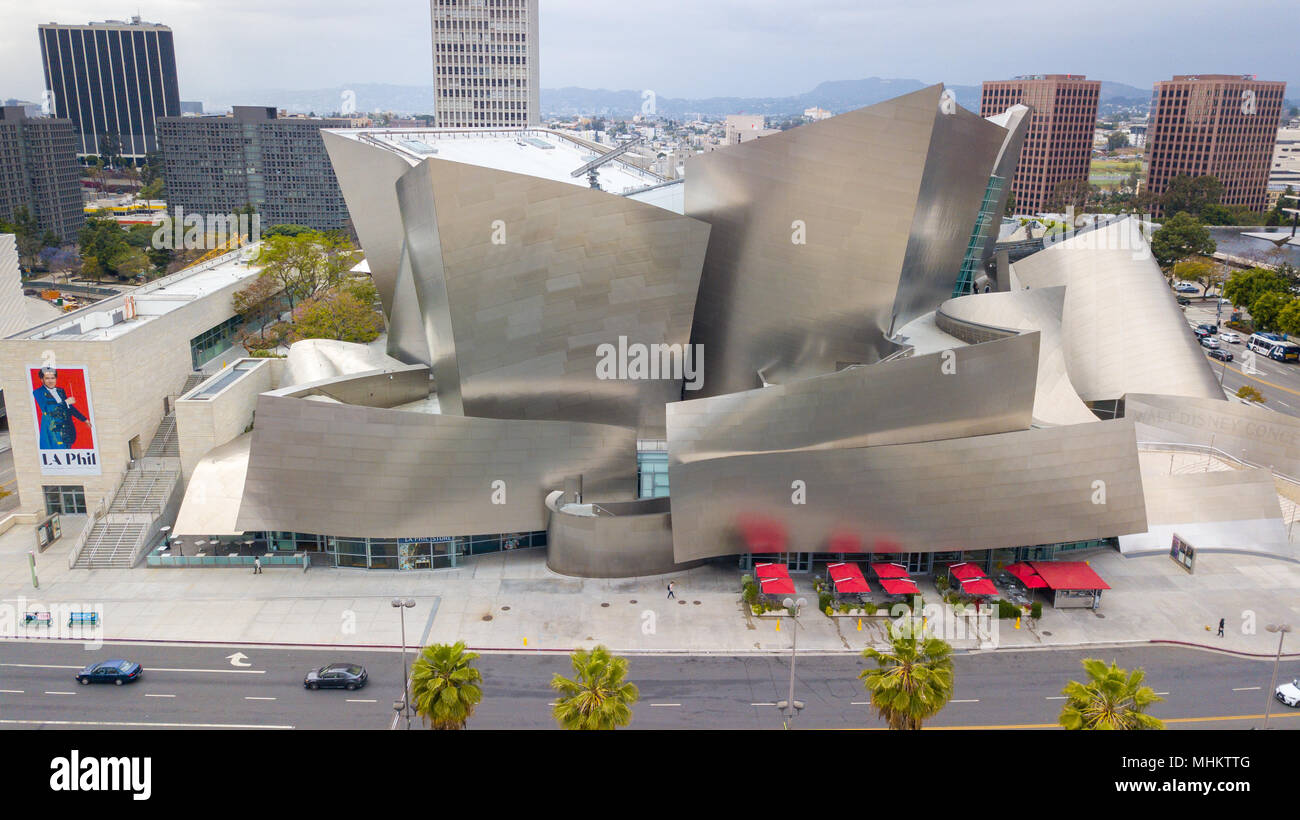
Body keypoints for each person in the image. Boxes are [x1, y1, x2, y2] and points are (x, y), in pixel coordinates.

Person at [32, 368, 91, 449]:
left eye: (52, 378)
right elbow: (48, 409)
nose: (50, 381)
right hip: (52, 432)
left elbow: (69, 408)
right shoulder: (38, 392)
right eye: (47, 378)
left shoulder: (60, 391)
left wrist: (84, 419)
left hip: (66, 431)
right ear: (42, 380)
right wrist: (66, 402)